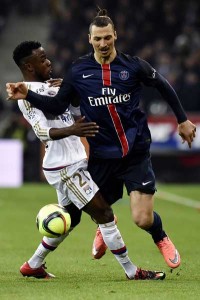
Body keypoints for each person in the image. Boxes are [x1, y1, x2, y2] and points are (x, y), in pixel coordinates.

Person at [6, 8, 196, 270]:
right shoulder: (79, 71)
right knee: (95, 211)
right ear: (89, 40)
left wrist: (182, 120)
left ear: (115, 35)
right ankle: (101, 241)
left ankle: (160, 237)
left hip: (134, 150)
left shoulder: (133, 66)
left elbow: (163, 84)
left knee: (142, 218)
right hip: (101, 155)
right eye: (98, 39)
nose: (103, 44)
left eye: (107, 37)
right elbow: (58, 105)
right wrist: (27, 94)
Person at [12, 40, 165, 281]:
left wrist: (71, 89)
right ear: (29, 67)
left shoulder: (51, 86)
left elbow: (68, 105)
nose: (49, 61)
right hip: (65, 167)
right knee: (104, 213)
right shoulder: (26, 94)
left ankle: (33, 264)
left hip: (73, 161)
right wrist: (73, 130)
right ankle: (132, 271)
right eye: (42, 59)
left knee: (70, 217)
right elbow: (42, 132)